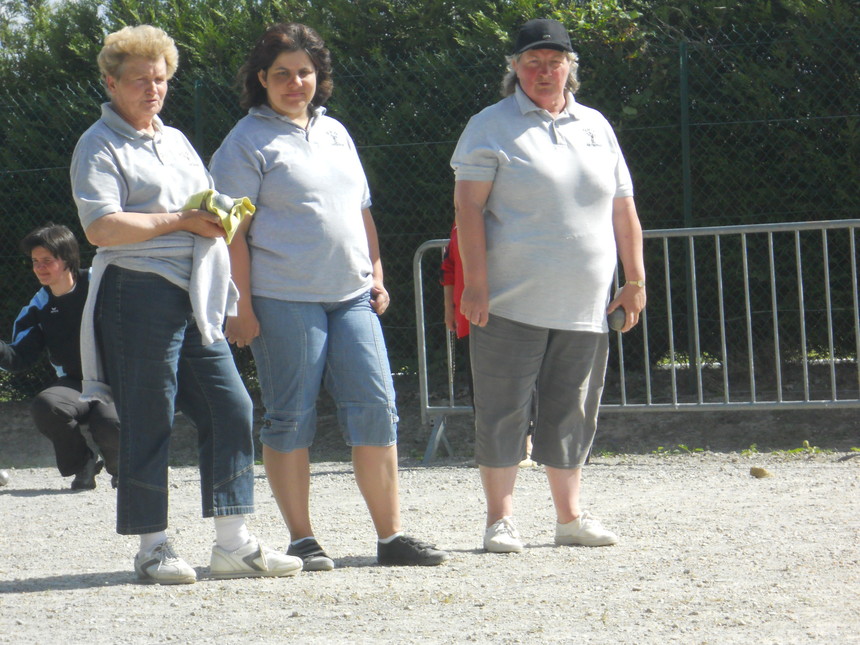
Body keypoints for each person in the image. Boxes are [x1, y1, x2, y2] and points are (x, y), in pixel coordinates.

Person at [209, 22, 448, 570]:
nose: (296, 83)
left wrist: (378, 274)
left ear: (319, 76)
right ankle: (302, 539)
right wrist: (240, 307)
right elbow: (231, 236)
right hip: (282, 298)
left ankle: (391, 539)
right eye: (282, 74)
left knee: (377, 411)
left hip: (352, 297)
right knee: (291, 417)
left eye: (305, 72)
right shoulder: (244, 143)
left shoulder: (336, 132)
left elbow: (360, 211)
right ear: (261, 80)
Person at [70, 24, 302, 584]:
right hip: (136, 290)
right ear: (110, 81)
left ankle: (233, 542)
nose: (153, 90)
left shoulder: (173, 139)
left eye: (161, 80)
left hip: (192, 290)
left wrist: (220, 212)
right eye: (139, 81)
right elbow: (101, 226)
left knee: (232, 407)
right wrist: (180, 220)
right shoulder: (96, 144)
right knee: (149, 417)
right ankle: (153, 547)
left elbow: (198, 202)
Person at [450, 18, 646, 554]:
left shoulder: (596, 126)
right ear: (514, 68)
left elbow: (622, 206)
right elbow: (468, 206)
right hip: (508, 301)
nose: (543, 71)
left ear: (569, 67)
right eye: (531, 62)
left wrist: (635, 279)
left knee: (573, 410)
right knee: (502, 408)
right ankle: (501, 521)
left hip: (585, 302)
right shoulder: (489, 125)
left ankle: (569, 519)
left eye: (553, 61)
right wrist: (477, 285)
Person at [0, 224, 119, 491]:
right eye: (35, 261)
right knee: (47, 404)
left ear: (67, 259)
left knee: (110, 422)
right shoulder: (38, 306)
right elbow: (18, 356)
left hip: (118, 382)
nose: (39, 267)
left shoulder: (101, 284)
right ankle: (83, 464)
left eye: (47, 261)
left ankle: (124, 470)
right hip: (75, 383)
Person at [440, 223, 535, 467]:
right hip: (469, 315)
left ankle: (524, 446)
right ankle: (491, 450)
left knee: (517, 379)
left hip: (509, 312)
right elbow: (449, 267)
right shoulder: (460, 223)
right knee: (479, 385)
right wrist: (448, 307)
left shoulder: (507, 216)